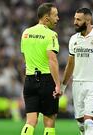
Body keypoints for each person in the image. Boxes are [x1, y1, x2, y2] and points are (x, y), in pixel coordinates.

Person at [20, 2, 61, 135]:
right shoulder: (51, 35)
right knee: (49, 122)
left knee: (30, 121)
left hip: (30, 79)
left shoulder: (26, 33)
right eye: (55, 15)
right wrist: (58, 85)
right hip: (46, 80)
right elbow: (52, 60)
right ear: (46, 18)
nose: (58, 18)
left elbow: (26, 57)